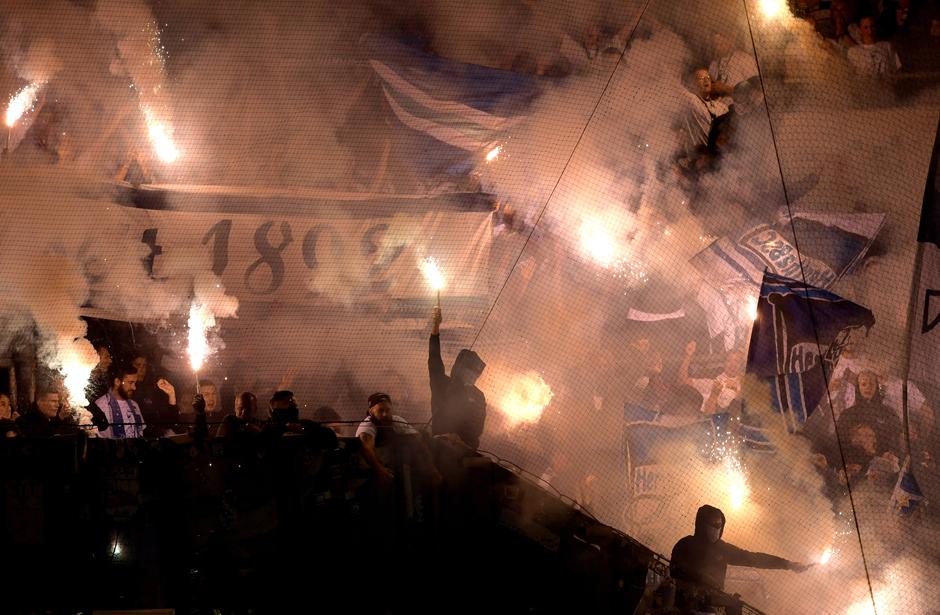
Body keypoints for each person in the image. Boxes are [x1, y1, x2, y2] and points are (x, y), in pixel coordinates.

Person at [671, 505, 811, 613]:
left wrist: (788, 564)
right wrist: (702, 582)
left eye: (719, 525)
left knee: (735, 605)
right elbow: (675, 573)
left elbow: (753, 558)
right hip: (685, 606)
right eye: (713, 524)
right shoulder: (684, 545)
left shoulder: (722, 549)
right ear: (701, 524)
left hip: (710, 606)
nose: (717, 529)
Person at [429, 306, 487, 450]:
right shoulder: (442, 383)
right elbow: (434, 358)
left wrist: (461, 440)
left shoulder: (478, 395)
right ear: (459, 369)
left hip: (465, 448)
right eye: (470, 371)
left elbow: (478, 427)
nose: (473, 376)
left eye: (476, 373)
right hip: (440, 444)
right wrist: (436, 326)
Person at [356, 392, 440, 484]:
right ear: (371, 412)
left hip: (397, 466)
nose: (385, 414)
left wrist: (432, 469)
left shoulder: (397, 421)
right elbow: (367, 448)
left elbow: (418, 441)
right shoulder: (367, 426)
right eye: (380, 411)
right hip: (370, 470)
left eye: (387, 410)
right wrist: (379, 470)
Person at [678, 341, 744, 415]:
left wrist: (736, 389)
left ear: (741, 365)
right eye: (729, 360)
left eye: (737, 361)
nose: (733, 364)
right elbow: (683, 381)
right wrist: (688, 356)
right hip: (709, 417)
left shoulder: (745, 383)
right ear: (724, 363)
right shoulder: (714, 382)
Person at [130, 353, 180, 438]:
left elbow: (169, 420)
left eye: (144, 365)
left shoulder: (152, 388)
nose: (142, 369)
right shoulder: (127, 391)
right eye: (138, 365)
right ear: (131, 366)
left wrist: (172, 396)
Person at [93, 363, 147, 439]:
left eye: (135, 383)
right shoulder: (100, 405)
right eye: (130, 382)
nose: (134, 387)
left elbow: (140, 433)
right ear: (117, 382)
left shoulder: (134, 404)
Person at [708, 33, 758, 105]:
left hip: (740, 111)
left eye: (721, 44)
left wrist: (726, 89)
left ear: (730, 41)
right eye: (716, 45)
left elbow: (755, 92)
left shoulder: (745, 59)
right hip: (718, 110)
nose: (718, 48)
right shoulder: (713, 65)